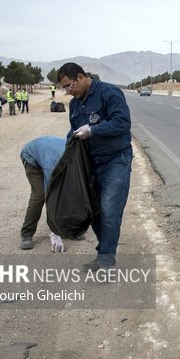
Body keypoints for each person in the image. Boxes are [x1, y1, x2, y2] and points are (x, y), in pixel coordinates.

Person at [57, 62, 132, 269]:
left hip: (115, 160)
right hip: (89, 163)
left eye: (69, 86)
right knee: (93, 211)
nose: (67, 91)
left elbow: (123, 123)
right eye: (64, 88)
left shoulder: (109, 93)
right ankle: (103, 254)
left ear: (81, 77)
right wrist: (68, 150)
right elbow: (74, 131)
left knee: (110, 209)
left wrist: (93, 130)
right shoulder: (74, 104)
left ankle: (106, 260)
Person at [19, 136, 67, 252]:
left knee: (67, 192)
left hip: (46, 151)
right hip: (31, 158)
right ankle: (27, 234)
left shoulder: (78, 157)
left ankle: (67, 228)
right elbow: (50, 196)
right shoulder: (52, 164)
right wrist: (55, 233)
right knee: (40, 195)